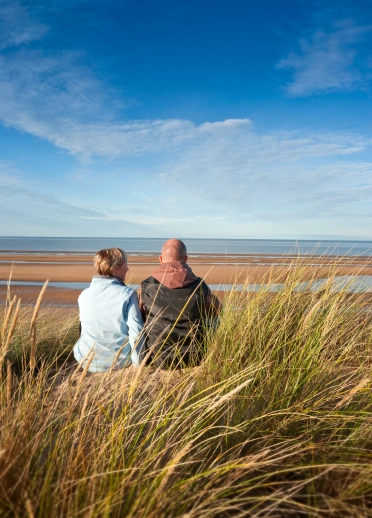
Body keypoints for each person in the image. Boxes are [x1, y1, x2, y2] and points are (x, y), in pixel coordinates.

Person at [140, 238, 220, 368]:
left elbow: (141, 316)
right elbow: (217, 312)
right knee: (214, 319)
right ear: (186, 259)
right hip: (193, 358)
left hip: (157, 358)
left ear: (161, 259)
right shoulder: (199, 285)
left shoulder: (146, 285)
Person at [74, 247, 145, 373]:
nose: (127, 269)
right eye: (125, 265)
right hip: (119, 361)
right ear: (116, 269)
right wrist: (137, 363)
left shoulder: (84, 294)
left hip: (86, 360)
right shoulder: (128, 294)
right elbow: (136, 332)